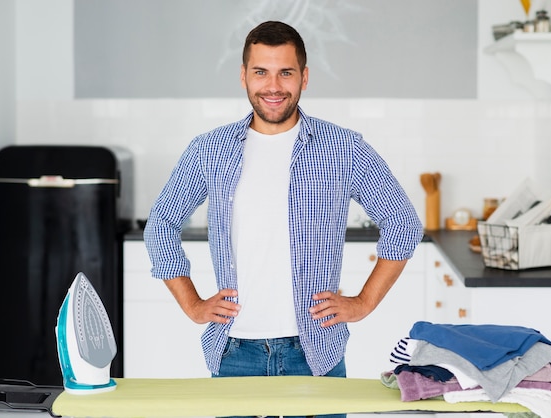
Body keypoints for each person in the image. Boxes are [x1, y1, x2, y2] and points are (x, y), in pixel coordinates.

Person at [144, 19, 423, 406]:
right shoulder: (209, 149)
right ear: (244, 76)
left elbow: (404, 223)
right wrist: (192, 303)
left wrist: (363, 303)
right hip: (234, 352)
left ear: (304, 77)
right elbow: (160, 224)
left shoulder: (344, 148)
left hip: (315, 353)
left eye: (285, 73)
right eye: (261, 72)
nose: (273, 86)